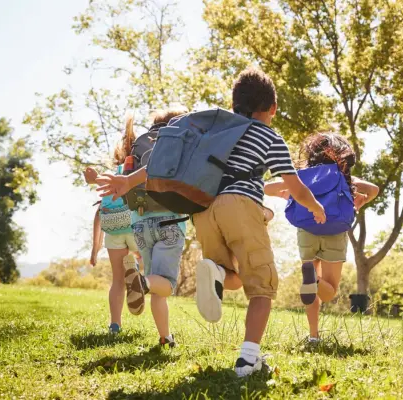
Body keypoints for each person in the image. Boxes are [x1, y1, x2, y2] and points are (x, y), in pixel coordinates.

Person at [96, 68, 326, 377]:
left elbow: (166, 161)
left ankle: (216, 271)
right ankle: (248, 360)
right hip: (241, 205)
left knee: (233, 274)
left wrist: (128, 181)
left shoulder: (219, 129)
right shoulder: (269, 136)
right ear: (272, 108)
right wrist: (315, 206)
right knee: (263, 286)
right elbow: (294, 185)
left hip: (204, 209)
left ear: (235, 105)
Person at [265, 132, 378, 343]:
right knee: (328, 291)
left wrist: (288, 192)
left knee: (311, 290)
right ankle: (315, 279)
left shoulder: (301, 176)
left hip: (307, 229)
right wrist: (357, 203)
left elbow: (267, 188)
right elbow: (373, 189)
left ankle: (314, 335)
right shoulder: (343, 176)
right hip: (335, 230)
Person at [97, 106, 189, 348]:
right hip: (170, 222)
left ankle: (165, 338)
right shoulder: (179, 142)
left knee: (156, 280)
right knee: (164, 284)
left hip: (140, 223)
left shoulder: (142, 144)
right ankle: (143, 283)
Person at [84, 114, 140, 335]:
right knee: (146, 260)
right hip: (135, 227)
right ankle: (140, 275)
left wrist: (95, 249)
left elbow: (98, 215)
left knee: (117, 280)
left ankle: (115, 325)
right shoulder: (138, 174)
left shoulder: (110, 175)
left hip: (114, 230)